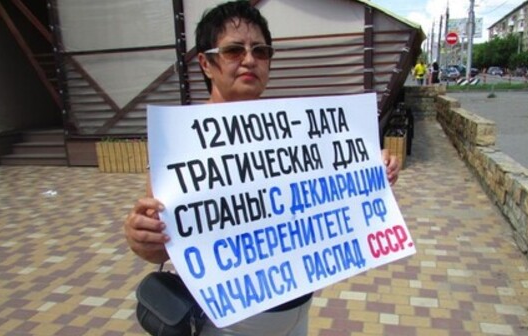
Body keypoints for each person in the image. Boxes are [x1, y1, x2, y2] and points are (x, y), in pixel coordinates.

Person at [124, 1, 400, 335]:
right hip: (229, 322)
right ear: (206, 63)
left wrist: (370, 174)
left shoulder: (291, 132)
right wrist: (139, 237)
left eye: (261, 50)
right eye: (233, 50)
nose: (250, 60)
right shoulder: (181, 144)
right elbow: (157, 243)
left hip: (298, 309)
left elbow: (326, 198)